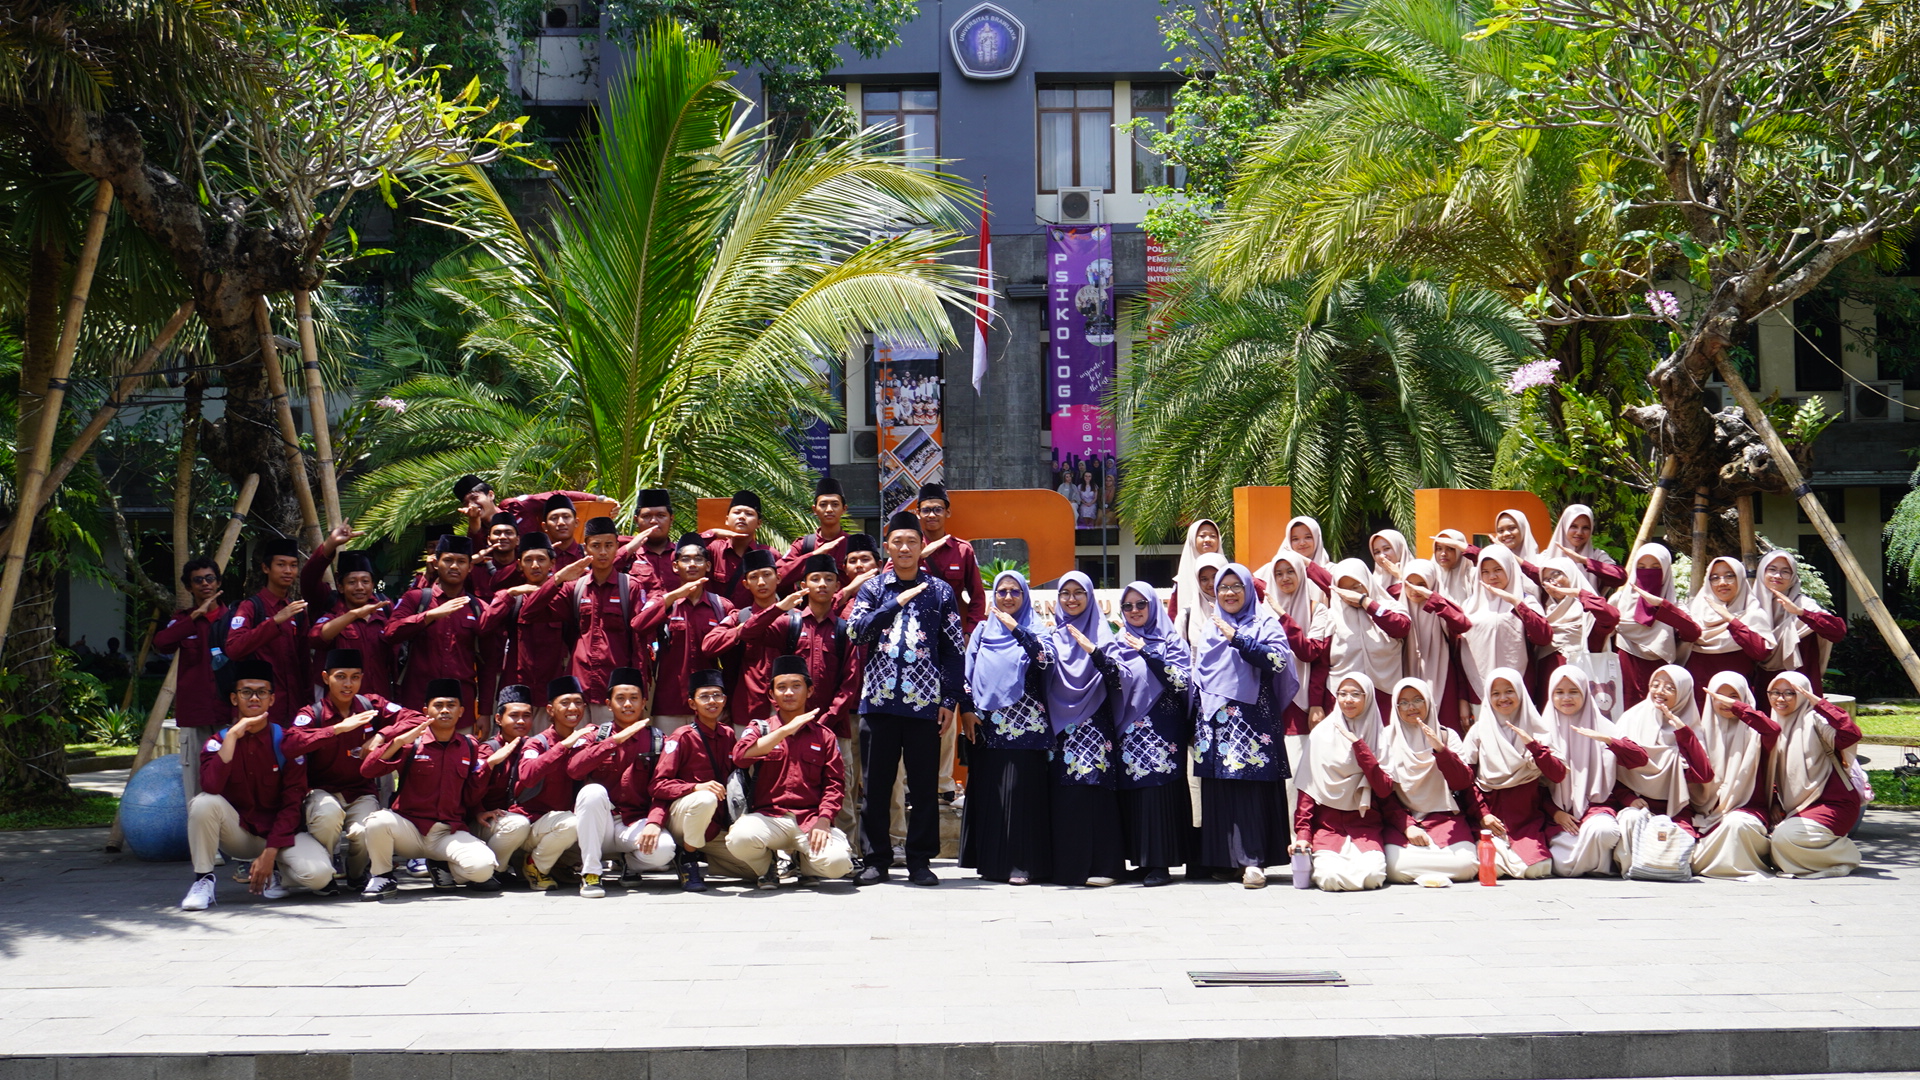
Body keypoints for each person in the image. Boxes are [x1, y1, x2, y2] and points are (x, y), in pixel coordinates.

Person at [847, 511, 968, 887]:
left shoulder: (940, 591)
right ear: (887, 546)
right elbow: (856, 632)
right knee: (876, 787)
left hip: (924, 704)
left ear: (921, 546)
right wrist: (894, 604)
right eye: (897, 542)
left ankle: (919, 860)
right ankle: (876, 859)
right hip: (879, 702)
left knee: (924, 785)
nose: (904, 548)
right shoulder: (873, 589)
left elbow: (953, 649)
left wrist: (949, 699)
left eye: (911, 542)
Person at [180, 659, 332, 910]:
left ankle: (278, 872)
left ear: (272, 699)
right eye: (246, 692)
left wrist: (270, 852)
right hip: (240, 834)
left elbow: (292, 804)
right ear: (234, 698)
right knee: (203, 803)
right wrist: (232, 737)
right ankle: (203, 880)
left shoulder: (285, 742)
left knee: (320, 876)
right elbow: (211, 786)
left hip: (281, 835)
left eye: (262, 692)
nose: (254, 698)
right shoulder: (218, 742)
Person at [1191, 562, 1298, 888]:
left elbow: (1279, 661)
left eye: (1237, 586)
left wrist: (1239, 639)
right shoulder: (1211, 628)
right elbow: (1200, 676)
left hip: (1252, 721)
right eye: (1223, 587)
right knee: (1221, 790)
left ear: (1249, 589)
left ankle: (1254, 861)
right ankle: (1227, 861)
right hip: (1215, 723)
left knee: (1251, 789)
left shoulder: (1264, 622)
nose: (1229, 593)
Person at [282, 648, 422, 886]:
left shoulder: (371, 705)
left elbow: (417, 718)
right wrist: (337, 729)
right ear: (326, 678)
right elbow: (290, 744)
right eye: (340, 677)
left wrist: (382, 735)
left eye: (355, 677)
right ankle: (326, 869)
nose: (348, 684)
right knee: (328, 816)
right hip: (322, 791)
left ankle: (357, 874)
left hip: (361, 791)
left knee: (366, 830)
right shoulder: (313, 713)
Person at [357, 679, 501, 899]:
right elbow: (368, 770)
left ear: (461, 711)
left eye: (451, 705)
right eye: (438, 705)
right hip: (409, 831)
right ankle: (382, 876)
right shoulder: (412, 743)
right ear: (426, 711)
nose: (445, 710)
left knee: (483, 869)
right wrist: (397, 742)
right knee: (378, 821)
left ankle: (442, 866)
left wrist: (480, 806)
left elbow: (469, 791)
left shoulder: (469, 746)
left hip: (446, 833)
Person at [724, 654, 855, 887]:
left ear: (809, 691)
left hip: (809, 820)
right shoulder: (760, 728)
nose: (789, 693)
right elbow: (740, 757)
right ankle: (768, 867)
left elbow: (834, 784)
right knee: (739, 838)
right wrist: (785, 730)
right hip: (769, 818)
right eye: (781, 687)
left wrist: (824, 820)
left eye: (796, 686)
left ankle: (805, 865)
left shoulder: (824, 736)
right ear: (771, 694)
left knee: (838, 864)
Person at [960, 571, 1055, 885]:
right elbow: (966, 673)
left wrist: (1017, 630)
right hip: (988, 728)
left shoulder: (1037, 629)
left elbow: (1046, 660)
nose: (1008, 597)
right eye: (1002, 591)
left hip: (1027, 730)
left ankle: (1023, 866)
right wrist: (968, 710)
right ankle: (992, 864)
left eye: (1015, 591)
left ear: (1025, 596)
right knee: (993, 796)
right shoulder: (982, 631)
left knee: (1023, 798)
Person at [1096, 581, 1192, 886]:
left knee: (1157, 794)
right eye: (1128, 606)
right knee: (1134, 794)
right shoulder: (1117, 642)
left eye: (1141, 604)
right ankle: (1141, 860)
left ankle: (1160, 863)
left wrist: (1148, 652)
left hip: (1163, 730)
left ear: (1153, 606)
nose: (1134, 610)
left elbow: (1181, 681)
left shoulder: (1170, 641)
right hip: (1127, 730)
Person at [568, 667, 677, 897]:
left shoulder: (658, 740)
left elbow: (663, 786)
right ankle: (591, 873)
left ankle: (629, 863)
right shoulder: (595, 735)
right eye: (620, 698)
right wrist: (614, 741)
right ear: (609, 704)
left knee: (664, 851)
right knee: (592, 792)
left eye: (634, 698)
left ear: (643, 702)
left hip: (635, 822)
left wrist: (655, 822)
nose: (628, 704)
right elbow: (574, 770)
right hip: (601, 825)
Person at [1047, 571, 1126, 888]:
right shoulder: (1053, 636)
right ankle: (1068, 869)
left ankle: (1105, 866)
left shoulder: (1103, 636)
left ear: (1090, 597)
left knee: (1094, 790)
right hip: (1060, 727)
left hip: (1094, 721)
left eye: (1078, 592)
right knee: (1066, 795)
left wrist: (1093, 651)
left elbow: (1117, 677)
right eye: (1065, 593)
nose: (1071, 599)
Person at [649, 669, 758, 889]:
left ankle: (703, 854)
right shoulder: (682, 736)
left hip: (714, 824)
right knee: (706, 798)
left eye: (717, 695)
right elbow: (657, 786)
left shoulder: (728, 734)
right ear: (692, 704)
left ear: (724, 700)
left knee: (755, 870)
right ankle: (688, 858)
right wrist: (695, 788)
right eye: (704, 697)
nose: (712, 701)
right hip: (683, 817)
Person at [529, 516, 641, 718]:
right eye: (596, 546)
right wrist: (558, 579)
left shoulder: (629, 587)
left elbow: (639, 642)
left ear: (617, 547)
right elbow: (530, 612)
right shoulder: (575, 587)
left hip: (615, 690)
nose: (603, 552)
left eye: (609, 545)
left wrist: (637, 687)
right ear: (586, 548)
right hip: (579, 687)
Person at [916, 482, 987, 803]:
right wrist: (919, 554)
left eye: (937, 509)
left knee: (948, 706)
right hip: (916, 643)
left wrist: (969, 632)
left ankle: (943, 782)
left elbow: (977, 597)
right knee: (915, 708)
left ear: (947, 512)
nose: (931, 515)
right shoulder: (908, 545)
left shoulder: (962, 550)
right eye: (926, 510)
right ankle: (913, 782)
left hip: (951, 644)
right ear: (918, 513)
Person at [1542, 666, 1646, 877]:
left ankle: (1596, 861)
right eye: (1559, 692)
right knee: (1561, 864)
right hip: (1558, 814)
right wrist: (1556, 813)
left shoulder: (1603, 726)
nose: (1566, 698)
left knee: (1604, 832)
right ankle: (1598, 863)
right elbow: (1535, 785)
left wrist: (1607, 740)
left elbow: (1639, 758)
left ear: (1585, 693)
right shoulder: (1542, 730)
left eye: (1573, 691)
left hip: (1596, 808)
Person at [1291, 673, 1392, 892]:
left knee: (1373, 877)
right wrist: (1303, 835)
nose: (1348, 700)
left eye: (1356, 694)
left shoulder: (1379, 736)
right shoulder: (1321, 734)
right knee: (1329, 878)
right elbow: (1307, 790)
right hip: (1329, 828)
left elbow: (1384, 789)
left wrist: (1360, 747)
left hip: (1365, 827)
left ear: (1368, 698)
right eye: (1342, 694)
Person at [1461, 668, 1563, 879]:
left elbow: (1557, 774)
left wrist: (1533, 745)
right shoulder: (1479, 731)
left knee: (1539, 867)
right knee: (1491, 866)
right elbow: (1466, 780)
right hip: (1491, 815)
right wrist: (1483, 814)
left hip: (1526, 818)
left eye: (1509, 691)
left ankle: (1512, 860)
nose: (1503, 698)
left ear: (1520, 693)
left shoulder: (1537, 730)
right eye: (1495, 693)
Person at [1610, 664, 1714, 867]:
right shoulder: (1631, 719)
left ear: (1683, 693)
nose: (1659, 691)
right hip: (1638, 803)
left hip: (1677, 808)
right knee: (1630, 821)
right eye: (1655, 684)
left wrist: (1683, 732)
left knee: (1677, 853)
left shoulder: (1691, 727)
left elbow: (1703, 775)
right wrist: (1629, 799)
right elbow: (1614, 771)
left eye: (1670, 688)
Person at [1379, 678, 1481, 885]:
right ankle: (1433, 869)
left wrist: (1440, 750)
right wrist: (1407, 826)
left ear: (1428, 702)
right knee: (1394, 868)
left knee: (1466, 865)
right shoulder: (1386, 738)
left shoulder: (1446, 735)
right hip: (1404, 818)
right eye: (1403, 702)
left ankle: (1425, 870)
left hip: (1444, 817)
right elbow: (1382, 792)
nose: (1411, 707)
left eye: (1418, 700)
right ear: (1396, 707)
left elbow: (1463, 782)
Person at [1765, 671, 1864, 878]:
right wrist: (1774, 801)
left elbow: (1851, 735)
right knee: (1771, 842)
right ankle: (1813, 860)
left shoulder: (1815, 721)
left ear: (1803, 695)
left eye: (1789, 693)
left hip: (1833, 802)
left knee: (1785, 837)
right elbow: (1773, 770)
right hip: (1795, 806)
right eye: (1775, 692)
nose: (1780, 699)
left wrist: (1820, 704)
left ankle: (1845, 855)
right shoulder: (1773, 724)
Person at [633, 534, 731, 734]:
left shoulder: (722, 606)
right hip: (669, 704)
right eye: (685, 559)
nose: (692, 564)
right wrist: (675, 596)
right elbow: (638, 625)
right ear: (675, 567)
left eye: (698, 559)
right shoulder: (665, 602)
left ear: (708, 566)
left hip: (709, 705)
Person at [506, 676, 595, 890]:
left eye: (578, 702)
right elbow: (527, 776)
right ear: (550, 709)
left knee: (595, 823)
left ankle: (559, 864)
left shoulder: (586, 739)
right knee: (572, 824)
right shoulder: (538, 743)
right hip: (531, 824)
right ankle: (534, 865)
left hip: (561, 824)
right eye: (565, 703)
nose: (572, 708)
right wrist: (563, 746)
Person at [384, 534, 484, 717]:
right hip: (417, 704)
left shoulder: (478, 607)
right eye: (448, 560)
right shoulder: (416, 598)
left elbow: (487, 663)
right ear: (436, 563)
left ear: (470, 567)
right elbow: (390, 633)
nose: (454, 566)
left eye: (461, 561)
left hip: (461, 708)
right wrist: (429, 615)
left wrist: (484, 712)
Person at [1691, 673, 1778, 879]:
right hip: (1705, 811)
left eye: (1733, 696)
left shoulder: (1755, 733)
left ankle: (1708, 864)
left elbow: (1773, 730)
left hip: (1747, 808)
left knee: (1735, 824)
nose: (1725, 702)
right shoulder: (1699, 733)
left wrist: (1738, 708)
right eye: (1719, 696)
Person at [477, 532, 569, 728]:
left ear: (552, 563)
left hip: (552, 694)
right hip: (516, 693)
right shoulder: (512, 597)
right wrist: (510, 594)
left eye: (541, 559)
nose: (535, 565)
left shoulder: (563, 596)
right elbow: (483, 627)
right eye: (528, 560)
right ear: (519, 564)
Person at [702, 548, 800, 728]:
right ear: (746, 584)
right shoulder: (739, 617)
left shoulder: (796, 618)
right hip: (747, 707)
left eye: (767, 575)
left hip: (789, 709)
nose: (761, 582)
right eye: (754, 577)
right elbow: (709, 646)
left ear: (778, 578)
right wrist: (739, 631)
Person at [154, 557, 227, 796]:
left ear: (218, 583)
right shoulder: (182, 620)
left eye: (210, 578)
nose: (205, 584)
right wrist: (195, 616)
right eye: (198, 580)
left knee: (232, 784)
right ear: (189, 587)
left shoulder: (235, 618)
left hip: (229, 713)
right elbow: (161, 643)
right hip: (195, 715)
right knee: (195, 787)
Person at [1266, 550, 1329, 811]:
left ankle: (1296, 830)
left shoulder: (1318, 610)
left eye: (1290, 571)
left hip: (1300, 704)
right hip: (1269, 703)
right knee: (1269, 776)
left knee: (1296, 777)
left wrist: (1283, 616)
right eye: (1278, 573)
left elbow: (1312, 654)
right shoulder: (1261, 612)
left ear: (1301, 573)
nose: (1285, 578)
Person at [222, 537, 309, 727]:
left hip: (294, 707)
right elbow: (233, 648)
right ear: (265, 568)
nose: (288, 570)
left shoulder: (297, 611)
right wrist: (274, 622)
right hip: (259, 708)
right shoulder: (251, 607)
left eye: (293, 565)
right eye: (281, 564)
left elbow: (303, 663)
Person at [301, 519, 393, 697]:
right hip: (338, 702)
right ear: (340, 586)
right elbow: (308, 578)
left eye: (365, 581)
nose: (359, 587)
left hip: (379, 699)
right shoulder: (328, 604)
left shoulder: (385, 608)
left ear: (373, 584)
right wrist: (331, 543)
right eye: (352, 582)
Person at [1607, 543, 1701, 708]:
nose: (1648, 572)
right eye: (1641, 567)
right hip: (1624, 679)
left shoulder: (1675, 607)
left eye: (1656, 567)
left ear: (1666, 571)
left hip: (1661, 684)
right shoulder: (1619, 601)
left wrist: (1662, 606)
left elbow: (1693, 633)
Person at [1314, 558, 1410, 719]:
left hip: (1385, 696)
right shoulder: (1331, 617)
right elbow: (1320, 664)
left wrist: (1366, 602)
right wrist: (1315, 704)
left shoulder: (1389, 607)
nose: (1351, 594)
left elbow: (1401, 628)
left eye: (1356, 587)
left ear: (1367, 581)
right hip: (1342, 699)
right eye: (1344, 590)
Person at [1456, 545, 1551, 706]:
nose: (1492, 576)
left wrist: (1515, 602)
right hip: (1477, 691)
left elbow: (1543, 637)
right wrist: (1463, 698)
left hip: (1519, 687)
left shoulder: (1526, 602)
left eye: (1498, 569)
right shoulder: (1469, 606)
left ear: (1510, 568)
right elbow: (1460, 653)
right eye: (1485, 572)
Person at [1391, 558, 1473, 732]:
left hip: (1443, 675)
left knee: (1444, 731)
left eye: (1422, 584)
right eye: (1409, 584)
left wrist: (1432, 598)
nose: (1414, 590)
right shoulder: (1396, 609)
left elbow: (1463, 624)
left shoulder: (1441, 608)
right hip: (1405, 673)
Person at [1753, 550, 1847, 696]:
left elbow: (1837, 632)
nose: (1778, 576)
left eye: (1785, 571)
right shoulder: (1748, 606)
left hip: (1799, 691)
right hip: (1758, 690)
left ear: (1793, 576)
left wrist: (1800, 612)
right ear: (1761, 572)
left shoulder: (1804, 605)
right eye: (1772, 569)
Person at [1684, 556, 1776, 706]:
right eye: (1715, 578)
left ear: (1740, 579)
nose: (1722, 583)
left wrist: (1730, 619)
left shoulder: (1753, 613)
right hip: (1697, 695)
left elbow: (1760, 652)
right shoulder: (1695, 611)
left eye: (1729, 576)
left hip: (1736, 697)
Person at [1530, 555, 1621, 699]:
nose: (1552, 582)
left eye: (1556, 574)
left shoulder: (1588, 614)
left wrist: (1578, 593)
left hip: (1583, 690)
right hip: (1549, 691)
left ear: (1572, 574)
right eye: (1546, 580)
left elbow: (1612, 617)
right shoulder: (1544, 615)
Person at [472, 685, 535, 879]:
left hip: (518, 818)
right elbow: (468, 788)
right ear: (498, 719)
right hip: (485, 822)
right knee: (518, 825)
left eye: (526, 716)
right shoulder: (488, 750)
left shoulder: (533, 747)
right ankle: (493, 872)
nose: (521, 721)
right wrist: (478, 811)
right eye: (514, 716)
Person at [775, 476, 853, 593]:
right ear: (814, 509)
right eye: (823, 504)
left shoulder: (853, 545)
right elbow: (777, 576)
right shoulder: (804, 545)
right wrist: (814, 554)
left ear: (844, 509)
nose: (829, 509)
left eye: (835, 504)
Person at [703, 491, 776, 608]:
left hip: (754, 618)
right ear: (727, 520)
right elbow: (685, 551)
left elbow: (786, 589)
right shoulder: (714, 549)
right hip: (718, 618)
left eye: (749, 514)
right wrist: (713, 533)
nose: (742, 517)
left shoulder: (769, 554)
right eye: (736, 512)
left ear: (759, 523)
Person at [1544, 504, 1625, 594]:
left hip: (1588, 603)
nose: (1579, 532)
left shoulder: (1597, 556)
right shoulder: (1545, 557)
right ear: (1564, 526)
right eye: (1573, 526)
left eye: (1585, 528)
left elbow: (1620, 577)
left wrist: (1583, 560)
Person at [1169, 518, 1225, 636]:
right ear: (1192, 540)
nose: (1208, 540)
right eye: (1202, 536)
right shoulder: (1181, 581)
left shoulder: (1230, 574)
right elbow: (1172, 617)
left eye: (1213, 536)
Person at [623, 488, 678, 591]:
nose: (653, 521)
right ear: (636, 520)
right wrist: (628, 549)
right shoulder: (627, 555)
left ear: (671, 519)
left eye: (661, 515)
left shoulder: (683, 555)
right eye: (646, 516)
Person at [834, 533, 881, 619]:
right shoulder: (842, 604)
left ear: (879, 565)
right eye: (853, 561)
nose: (859, 565)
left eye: (865, 559)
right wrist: (849, 589)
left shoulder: (888, 594)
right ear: (845, 569)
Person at [1427, 530, 1478, 603]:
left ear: (1460, 550)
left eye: (1450, 548)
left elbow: (1487, 558)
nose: (1443, 553)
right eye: (1439, 548)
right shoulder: (1430, 577)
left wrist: (1457, 544)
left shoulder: (1472, 576)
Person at [536, 493, 585, 565]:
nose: (561, 523)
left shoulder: (589, 554)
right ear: (545, 526)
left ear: (576, 522)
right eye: (554, 518)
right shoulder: (538, 560)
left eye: (566, 517)